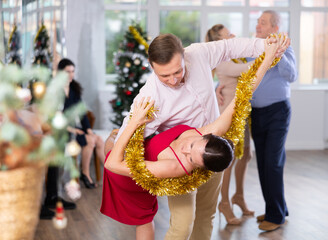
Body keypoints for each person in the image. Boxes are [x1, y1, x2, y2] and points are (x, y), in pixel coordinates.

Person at [102, 32, 290, 239]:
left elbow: (231, 50)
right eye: (164, 76)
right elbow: (123, 143)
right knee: (182, 226)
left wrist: (266, 46)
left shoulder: (198, 54)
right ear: (151, 65)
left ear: (184, 55)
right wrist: (114, 142)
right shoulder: (150, 97)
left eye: (177, 71)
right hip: (179, 161)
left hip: (211, 148)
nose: (173, 80)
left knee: (206, 215)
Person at [250, 10, 297, 231]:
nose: (258, 26)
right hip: (256, 113)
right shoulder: (253, 48)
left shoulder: (285, 48)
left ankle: (276, 216)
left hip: (278, 111)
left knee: (272, 162)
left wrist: (279, 55)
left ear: (275, 29)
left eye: (263, 23)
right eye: (258, 22)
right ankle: (276, 209)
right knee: (264, 163)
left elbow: (292, 76)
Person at [206, 24, 255, 225]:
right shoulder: (223, 61)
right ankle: (224, 203)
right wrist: (269, 54)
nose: (234, 35)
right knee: (229, 161)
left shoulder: (234, 56)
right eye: (229, 34)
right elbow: (250, 69)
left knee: (247, 155)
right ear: (220, 41)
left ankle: (239, 197)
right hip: (230, 116)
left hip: (242, 114)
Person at [58, 58, 105, 189]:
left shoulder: (74, 89)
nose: (71, 74)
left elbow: (82, 113)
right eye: (68, 72)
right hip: (62, 131)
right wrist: (73, 130)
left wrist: (89, 130)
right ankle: (85, 174)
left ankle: (112, 175)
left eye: (73, 71)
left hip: (74, 128)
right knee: (90, 141)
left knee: (98, 140)